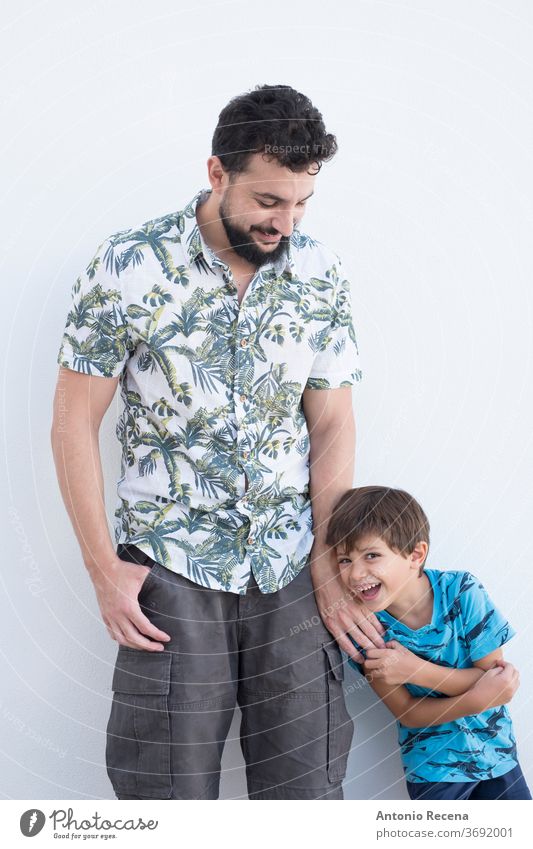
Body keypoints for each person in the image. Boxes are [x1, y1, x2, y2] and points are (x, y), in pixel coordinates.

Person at [50, 83, 384, 800]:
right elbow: (74, 419)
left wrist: (329, 560)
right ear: (216, 173)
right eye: (268, 202)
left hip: (292, 566)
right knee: (163, 798)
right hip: (169, 572)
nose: (285, 224)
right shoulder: (128, 265)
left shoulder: (319, 273)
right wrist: (103, 567)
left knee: (307, 791)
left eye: (299, 204)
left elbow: (331, 424)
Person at [325, 485, 531, 800]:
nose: (355, 574)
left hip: (499, 758)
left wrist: (413, 670)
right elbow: (407, 712)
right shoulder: (367, 631)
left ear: (415, 554)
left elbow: (496, 680)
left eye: (371, 555)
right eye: (344, 560)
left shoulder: (463, 592)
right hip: (434, 772)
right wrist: (477, 699)